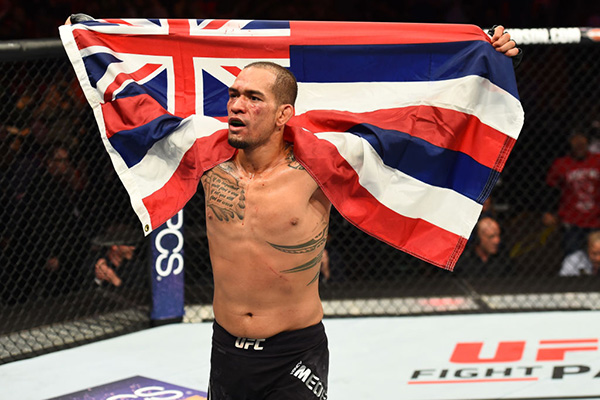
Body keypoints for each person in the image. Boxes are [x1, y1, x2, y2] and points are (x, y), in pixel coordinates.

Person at [66, 14, 520, 399]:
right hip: (225, 350)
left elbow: (424, 119)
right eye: (234, 95)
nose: (237, 106)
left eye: (253, 98)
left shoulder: (324, 163)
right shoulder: (204, 152)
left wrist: (487, 56)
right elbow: (136, 108)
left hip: (294, 352)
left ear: (284, 114)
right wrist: (88, 39)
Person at [543, 130, 600, 258]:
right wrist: (548, 211)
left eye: (582, 138)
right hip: (572, 223)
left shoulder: (597, 161)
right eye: (575, 139)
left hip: (596, 220)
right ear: (570, 142)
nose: (579, 142)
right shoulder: (561, 164)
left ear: (587, 141)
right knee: (573, 260)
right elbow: (550, 190)